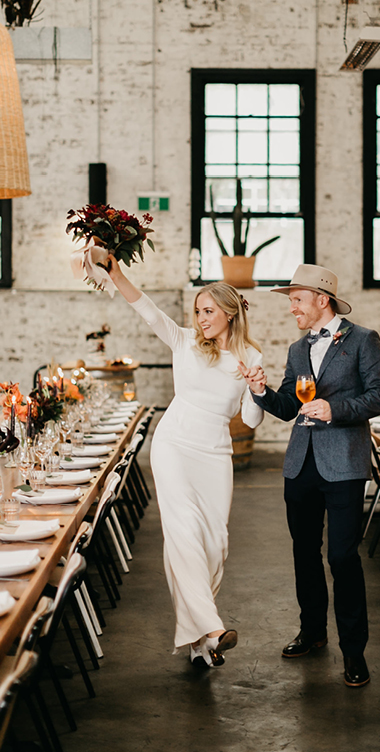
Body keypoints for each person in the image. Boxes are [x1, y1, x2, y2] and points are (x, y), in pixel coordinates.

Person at [108, 255, 264, 668]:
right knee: (183, 535)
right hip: (174, 445)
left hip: (215, 454)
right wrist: (118, 275)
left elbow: (250, 420)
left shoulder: (251, 357)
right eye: (198, 311)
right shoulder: (184, 342)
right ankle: (212, 629)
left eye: (208, 311)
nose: (201, 319)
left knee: (214, 544)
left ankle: (197, 644)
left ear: (230, 312)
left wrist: (258, 390)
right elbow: (147, 310)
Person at [240, 264, 380, 688]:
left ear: (322, 300)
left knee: (342, 558)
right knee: (304, 551)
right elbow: (290, 406)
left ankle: (354, 651)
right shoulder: (296, 348)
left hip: (344, 464)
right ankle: (312, 631)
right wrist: (261, 391)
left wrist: (334, 409)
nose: (292, 308)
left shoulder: (363, 340)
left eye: (297, 300)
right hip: (300, 464)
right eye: (291, 301)